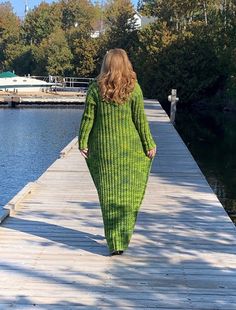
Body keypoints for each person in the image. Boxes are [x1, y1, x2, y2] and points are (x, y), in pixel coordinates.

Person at [78, 48, 156, 256]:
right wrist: (149, 144)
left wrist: (83, 141)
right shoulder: (134, 89)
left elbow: (88, 119)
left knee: (108, 196)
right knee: (128, 195)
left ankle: (113, 241)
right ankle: (122, 236)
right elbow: (140, 121)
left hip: (103, 151)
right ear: (125, 64)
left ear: (107, 65)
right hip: (130, 150)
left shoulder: (96, 89)